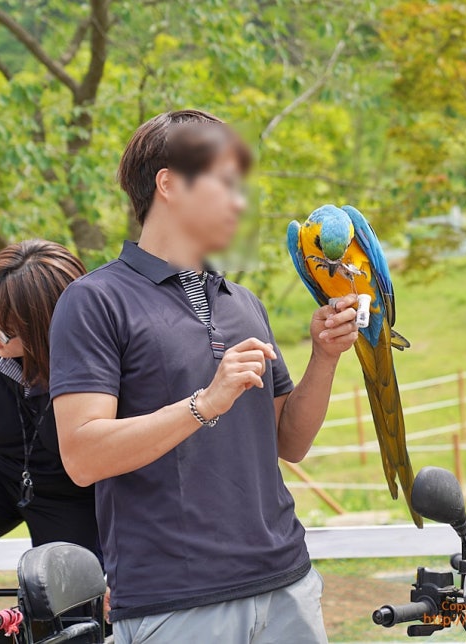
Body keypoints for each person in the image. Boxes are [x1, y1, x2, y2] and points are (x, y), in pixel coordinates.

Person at [50, 109, 359, 643]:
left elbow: (291, 442)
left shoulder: (244, 302)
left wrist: (324, 356)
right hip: (176, 602)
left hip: (288, 583)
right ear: (169, 184)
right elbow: (81, 455)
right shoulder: (93, 302)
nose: (239, 200)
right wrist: (204, 404)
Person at [0, 240, 99, 589]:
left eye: (3, 327)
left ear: (47, 324)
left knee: (66, 615)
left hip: (73, 496)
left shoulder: (100, 362)